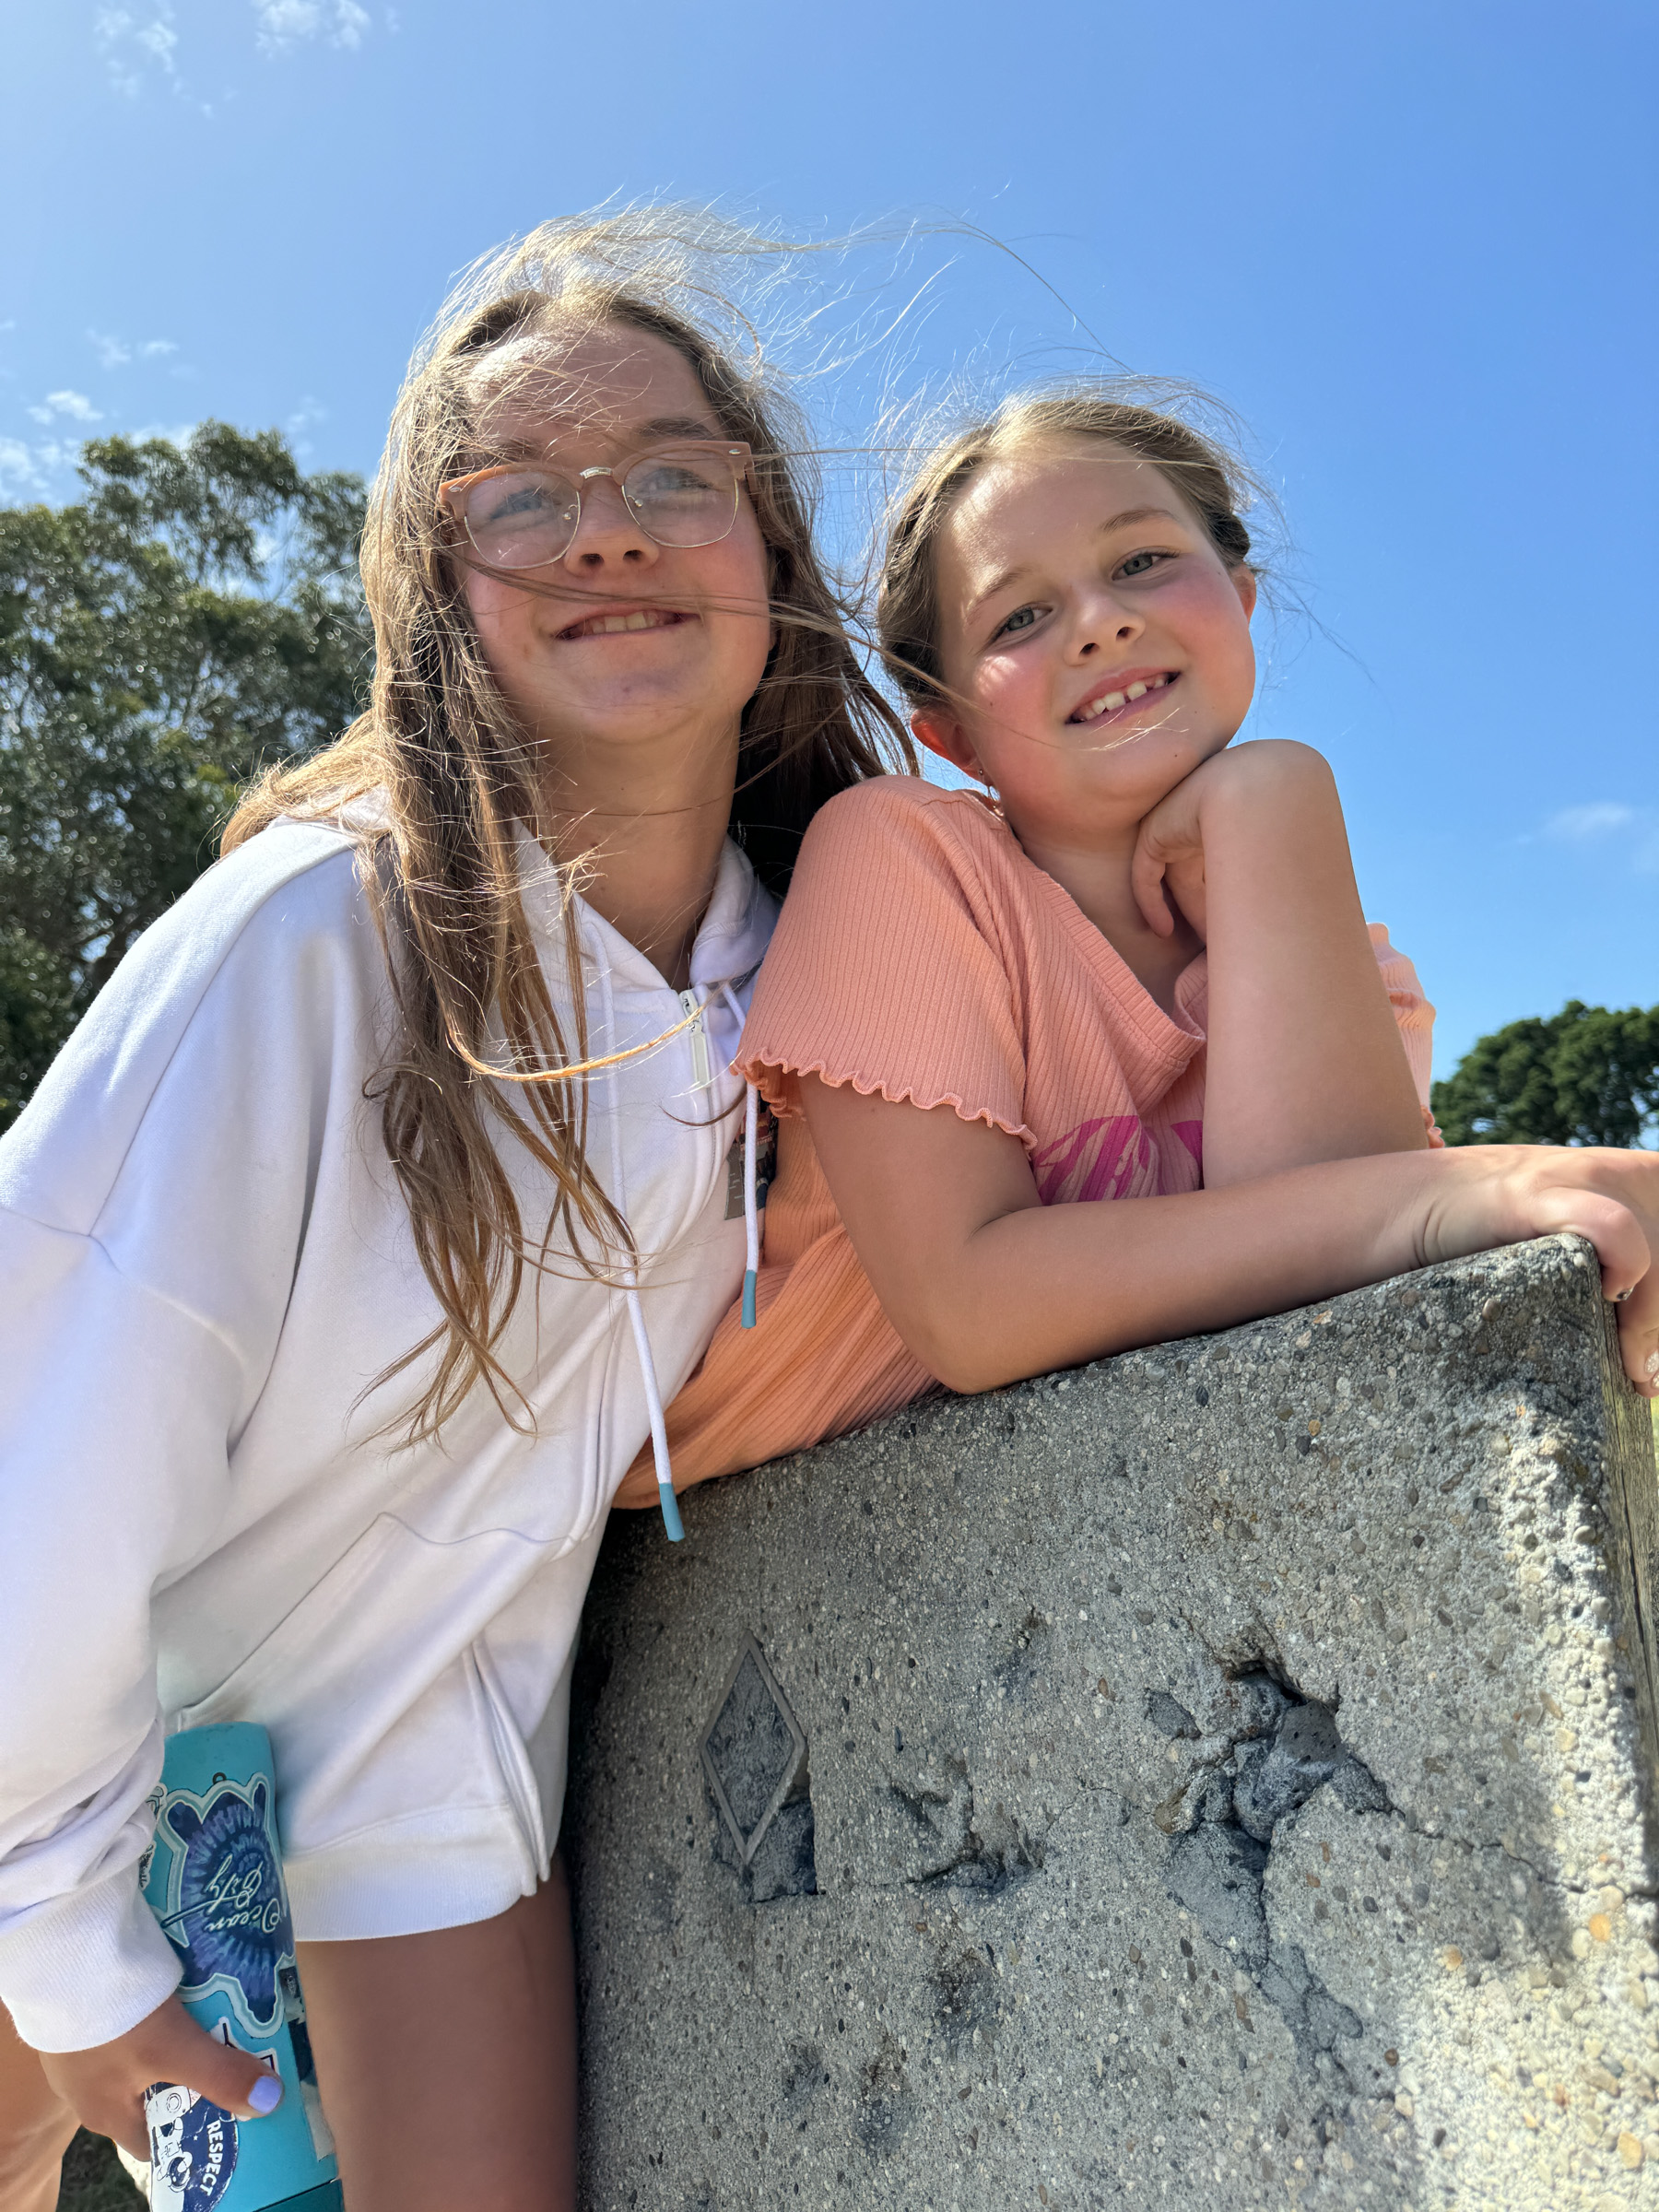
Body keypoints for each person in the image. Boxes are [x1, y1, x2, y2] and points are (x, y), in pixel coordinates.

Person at [0, 211, 909, 2212]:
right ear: (436, 584)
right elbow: (41, 1425)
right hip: (79, 1763)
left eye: (674, 475)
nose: (609, 534)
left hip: (432, 1778)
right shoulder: (310, 935)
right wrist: (59, 1937)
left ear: (768, 540)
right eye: (522, 497)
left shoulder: (815, 973)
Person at [617, 388, 1659, 1508]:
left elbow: (1328, 1301)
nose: (1098, 623)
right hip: (746, 1527)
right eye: (1018, 617)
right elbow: (968, 1308)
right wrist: (1463, 1191)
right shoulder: (906, 857)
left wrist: (1273, 800)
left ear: (1242, 598)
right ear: (950, 731)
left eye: (1143, 561)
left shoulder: (1350, 968)